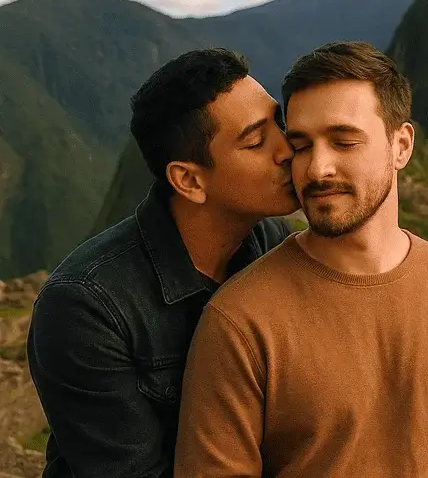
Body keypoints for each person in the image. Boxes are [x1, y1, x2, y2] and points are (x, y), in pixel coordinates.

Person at [173, 41, 428, 477]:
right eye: (301, 145)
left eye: (343, 141)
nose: (317, 168)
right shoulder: (241, 321)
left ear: (401, 146)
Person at [27, 48, 300, 478]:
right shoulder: (86, 307)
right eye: (255, 141)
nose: (287, 150)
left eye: (279, 124)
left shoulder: (276, 249)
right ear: (189, 180)